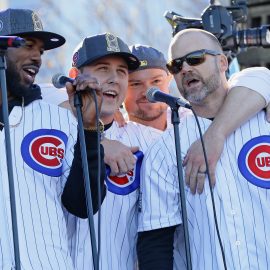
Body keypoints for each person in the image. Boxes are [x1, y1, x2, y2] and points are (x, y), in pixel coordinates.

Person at [137, 28, 270, 270]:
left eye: (195, 58)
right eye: (175, 65)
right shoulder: (164, 151)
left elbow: (261, 76)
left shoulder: (265, 118)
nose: (185, 68)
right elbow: (156, 243)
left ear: (222, 62)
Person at [0, 8, 105, 269]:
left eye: (41, 51)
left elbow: (82, 205)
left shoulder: (59, 121)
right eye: (26, 45)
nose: (37, 57)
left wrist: (90, 132)